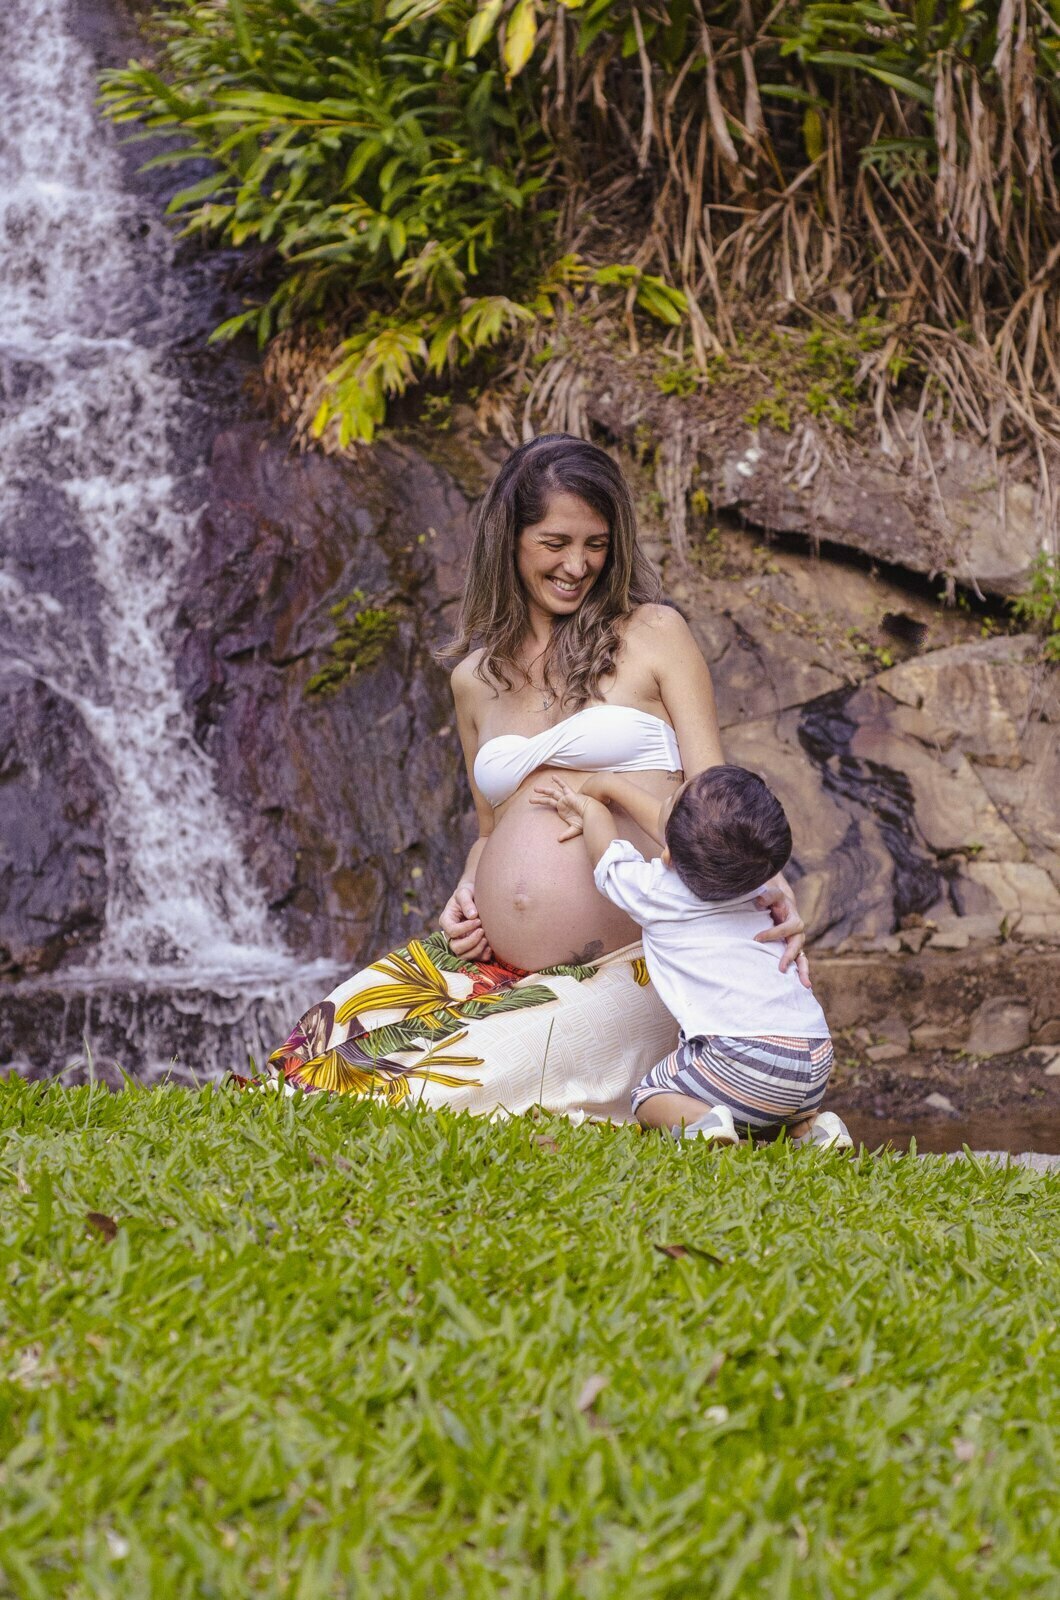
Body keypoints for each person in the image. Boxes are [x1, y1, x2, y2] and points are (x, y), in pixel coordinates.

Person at [259, 434, 806, 1118]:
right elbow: (492, 832)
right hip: (494, 959)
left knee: (427, 1097)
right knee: (310, 1061)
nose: (578, 565)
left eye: (597, 544)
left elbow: (713, 798)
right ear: (509, 540)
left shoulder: (655, 633)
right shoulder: (473, 680)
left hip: (642, 957)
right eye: (556, 542)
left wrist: (765, 883)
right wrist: (468, 888)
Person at [531, 765, 853, 1148]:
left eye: (668, 800)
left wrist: (588, 807)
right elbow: (690, 831)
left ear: (667, 854)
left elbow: (608, 858)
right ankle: (814, 1128)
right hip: (814, 1058)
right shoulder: (761, 887)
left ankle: (702, 1125)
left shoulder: (656, 891)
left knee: (649, 1096)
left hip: (742, 1057)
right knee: (765, 1102)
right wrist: (611, 784)